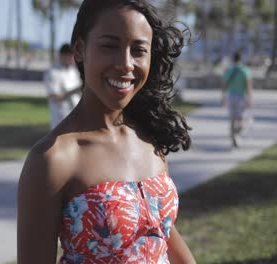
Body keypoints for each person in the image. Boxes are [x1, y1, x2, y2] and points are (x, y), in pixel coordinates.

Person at [17, 0, 196, 263]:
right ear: (80, 49)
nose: (125, 64)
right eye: (110, 46)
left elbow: (162, 232)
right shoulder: (53, 158)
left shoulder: (148, 136)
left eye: (138, 50)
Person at [44, 44, 82, 129]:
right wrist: (75, 90)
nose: (73, 59)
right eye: (71, 56)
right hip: (60, 120)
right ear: (62, 56)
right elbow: (54, 97)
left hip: (76, 118)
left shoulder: (73, 71)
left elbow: (79, 94)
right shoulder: (52, 73)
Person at [221, 52, 254, 148]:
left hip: (231, 96)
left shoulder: (229, 70)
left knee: (232, 119)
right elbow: (248, 86)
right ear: (241, 59)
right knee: (241, 119)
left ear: (233, 59)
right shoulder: (245, 70)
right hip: (241, 97)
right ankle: (236, 134)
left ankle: (233, 137)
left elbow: (224, 85)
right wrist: (250, 99)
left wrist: (223, 98)